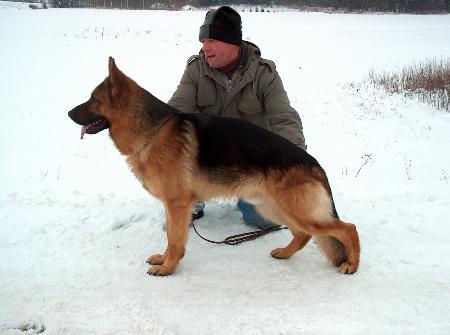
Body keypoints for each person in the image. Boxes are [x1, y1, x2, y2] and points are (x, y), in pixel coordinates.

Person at [168, 6, 306, 229]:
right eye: (203, 40)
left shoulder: (264, 74)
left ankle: (253, 200)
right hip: (207, 158)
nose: (205, 47)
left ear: (232, 42)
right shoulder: (196, 70)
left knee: (264, 221)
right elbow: (175, 112)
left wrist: (291, 167)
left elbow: (285, 119)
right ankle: (190, 198)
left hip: (250, 164)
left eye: (212, 39)